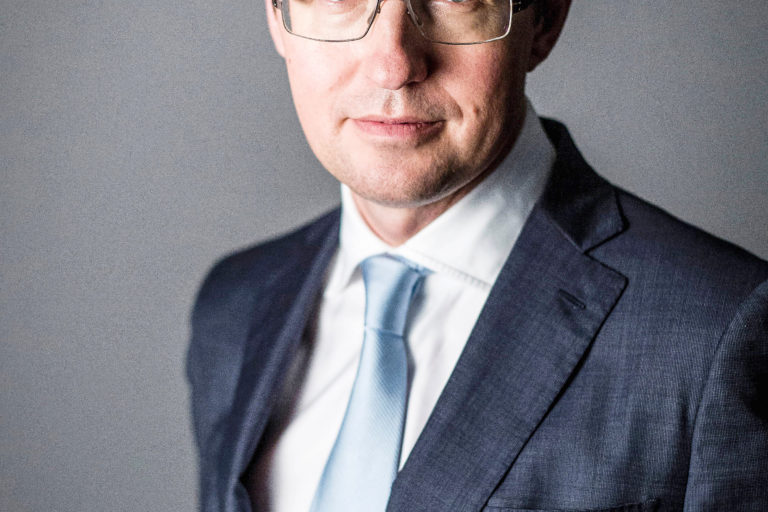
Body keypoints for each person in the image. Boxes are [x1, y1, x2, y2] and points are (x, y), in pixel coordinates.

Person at [186, 0, 768, 510]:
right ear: (278, 17)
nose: (393, 64)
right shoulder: (233, 308)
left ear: (544, 21)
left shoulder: (719, 332)